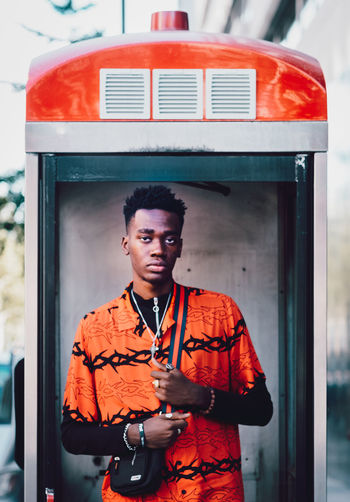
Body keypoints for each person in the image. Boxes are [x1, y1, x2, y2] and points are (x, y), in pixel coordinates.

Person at [62, 185, 273, 502]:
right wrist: (140, 434)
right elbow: (73, 435)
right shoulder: (95, 327)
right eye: (145, 238)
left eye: (169, 238)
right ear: (126, 244)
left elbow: (261, 409)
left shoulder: (221, 311)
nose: (157, 248)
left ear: (180, 246)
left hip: (212, 494)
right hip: (135, 495)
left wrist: (198, 396)